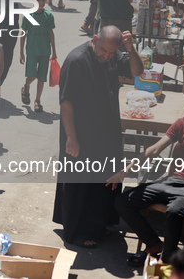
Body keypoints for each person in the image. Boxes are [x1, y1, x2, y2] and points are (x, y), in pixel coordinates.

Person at [52, 26, 143, 248]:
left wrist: (131, 50)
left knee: (105, 179)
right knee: (81, 183)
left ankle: (100, 224)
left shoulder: (113, 56)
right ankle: (78, 231)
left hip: (107, 130)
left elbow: (137, 71)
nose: (107, 56)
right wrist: (71, 138)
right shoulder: (77, 60)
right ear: (94, 40)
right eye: (103, 51)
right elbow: (66, 102)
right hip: (82, 132)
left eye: (112, 53)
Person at [111, 88, 184, 264]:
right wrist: (126, 169)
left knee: (174, 211)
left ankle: (167, 259)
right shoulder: (182, 123)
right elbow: (155, 149)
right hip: (172, 180)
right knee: (123, 201)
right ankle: (153, 245)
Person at [19, 0, 56, 113]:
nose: (41, 3)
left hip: (45, 51)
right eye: (38, 0)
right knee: (32, 76)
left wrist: (54, 51)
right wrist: (21, 52)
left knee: (41, 77)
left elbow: (51, 33)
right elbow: (23, 34)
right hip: (32, 51)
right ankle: (26, 87)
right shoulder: (28, 16)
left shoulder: (48, 15)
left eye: (43, 0)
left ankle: (37, 101)